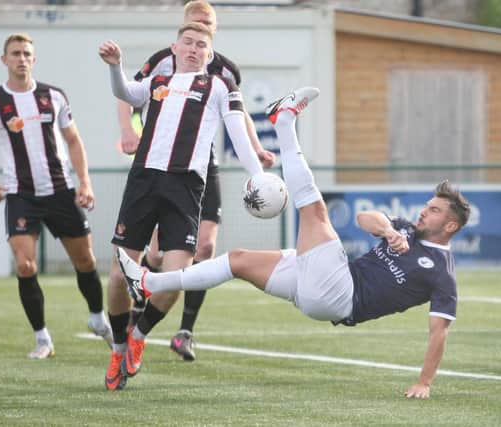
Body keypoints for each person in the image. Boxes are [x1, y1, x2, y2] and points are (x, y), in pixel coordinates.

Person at [116, 86, 471, 399]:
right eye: (427, 206)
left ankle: (283, 121)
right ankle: (148, 282)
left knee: (315, 212)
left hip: (341, 296)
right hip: (322, 282)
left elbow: (438, 333)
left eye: (435, 211)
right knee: (237, 259)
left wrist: (424, 382)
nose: (425, 213)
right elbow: (367, 219)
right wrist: (389, 231)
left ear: (451, 224)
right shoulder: (407, 230)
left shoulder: (442, 273)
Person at [99, 22, 265, 390]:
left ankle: (140, 334)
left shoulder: (220, 86)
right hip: (143, 181)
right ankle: (119, 346)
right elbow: (126, 91)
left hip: (186, 187)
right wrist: (115, 66)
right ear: (174, 48)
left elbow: (237, 131)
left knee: (177, 277)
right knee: (117, 275)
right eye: (187, 42)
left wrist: (258, 175)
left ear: (210, 53)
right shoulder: (158, 82)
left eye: (200, 44)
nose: (193, 48)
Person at [0, 33, 113, 359]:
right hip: (21, 195)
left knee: (85, 261)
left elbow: (74, 141)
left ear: (34, 59)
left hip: (60, 191)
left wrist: (85, 183)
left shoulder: (53, 96)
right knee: (25, 265)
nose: (21, 59)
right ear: (4, 60)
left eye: (26, 53)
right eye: (15, 53)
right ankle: (42, 338)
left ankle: (98, 317)